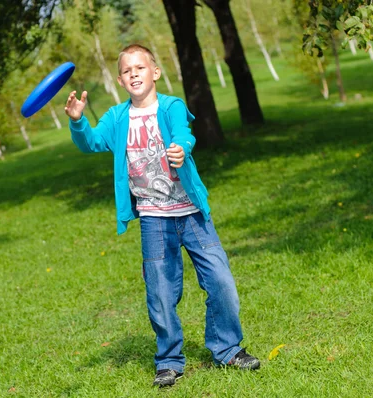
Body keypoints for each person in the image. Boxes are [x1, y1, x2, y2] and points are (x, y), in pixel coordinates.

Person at [64, 44, 259, 387]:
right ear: (121, 80)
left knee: (221, 281)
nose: (134, 73)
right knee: (161, 293)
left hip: (191, 213)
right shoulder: (116, 117)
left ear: (154, 72)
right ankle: (169, 361)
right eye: (127, 70)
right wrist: (78, 121)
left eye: (140, 67)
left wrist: (182, 148)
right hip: (153, 217)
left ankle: (228, 348)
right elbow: (92, 143)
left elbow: (185, 133)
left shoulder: (171, 106)